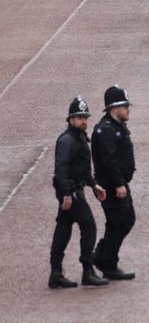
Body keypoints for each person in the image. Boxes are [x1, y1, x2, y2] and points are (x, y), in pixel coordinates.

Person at [49, 97, 109, 289]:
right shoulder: (68, 140)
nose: (83, 120)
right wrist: (67, 194)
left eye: (85, 116)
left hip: (74, 189)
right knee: (89, 226)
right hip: (71, 191)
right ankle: (87, 271)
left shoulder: (79, 137)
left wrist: (93, 185)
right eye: (79, 117)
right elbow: (62, 169)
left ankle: (56, 273)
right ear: (70, 119)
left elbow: (81, 167)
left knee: (63, 229)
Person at [91, 86, 137, 280]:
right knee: (119, 221)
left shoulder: (116, 126)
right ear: (114, 108)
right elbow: (108, 160)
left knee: (125, 220)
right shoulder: (106, 130)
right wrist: (118, 184)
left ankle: (101, 256)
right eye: (124, 106)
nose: (128, 109)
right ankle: (108, 264)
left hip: (118, 183)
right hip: (110, 186)